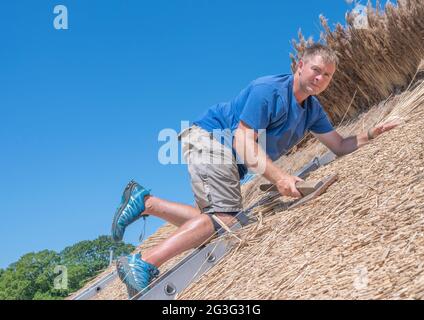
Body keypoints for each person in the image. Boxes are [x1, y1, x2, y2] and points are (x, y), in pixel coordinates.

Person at [111, 44, 398, 298]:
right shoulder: (269, 91)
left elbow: (339, 145)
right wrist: (280, 177)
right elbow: (242, 141)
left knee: (210, 224)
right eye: (316, 70)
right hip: (212, 139)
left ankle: (147, 203)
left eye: (327, 75)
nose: (320, 79)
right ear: (299, 65)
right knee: (226, 220)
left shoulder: (312, 110)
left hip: (226, 157)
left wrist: (371, 133)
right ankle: (144, 262)